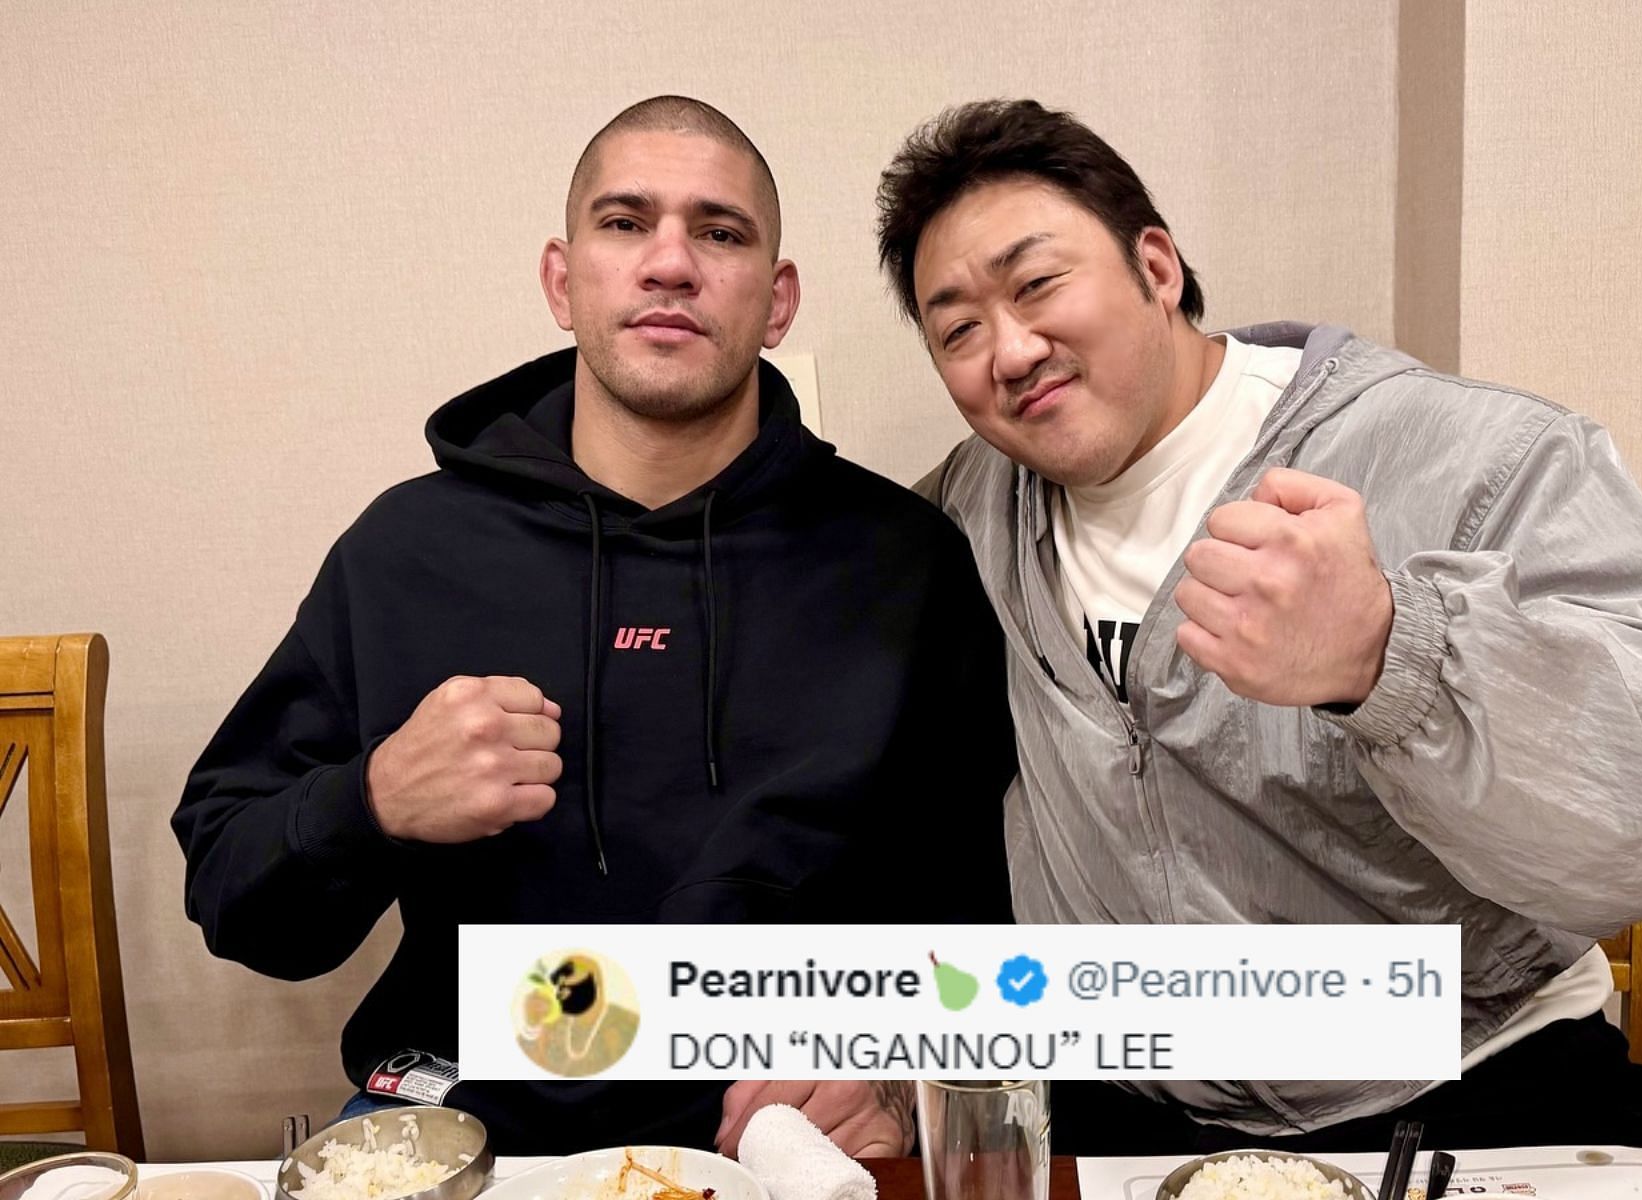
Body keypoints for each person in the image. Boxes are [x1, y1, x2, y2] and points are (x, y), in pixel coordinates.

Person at [876, 98, 1642, 1152]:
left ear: (1156, 267)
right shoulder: (970, 514)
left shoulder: (1471, 457)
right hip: (1131, 1114)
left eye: (1038, 285)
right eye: (960, 329)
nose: (1011, 351)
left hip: (1470, 1089)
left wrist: (1394, 653)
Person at [173, 95, 1013, 1158]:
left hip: (787, 1142)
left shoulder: (904, 562)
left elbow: (978, 919)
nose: (671, 264)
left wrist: (900, 1075)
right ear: (564, 282)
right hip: (464, 1126)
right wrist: (373, 796)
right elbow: (239, 906)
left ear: (778, 299)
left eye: (720, 232)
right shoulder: (407, 552)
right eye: (625, 224)